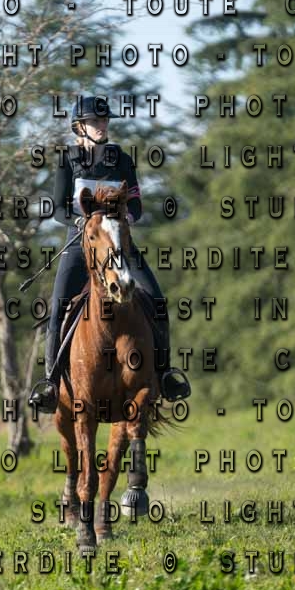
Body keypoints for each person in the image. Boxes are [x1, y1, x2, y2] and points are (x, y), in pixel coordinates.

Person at [27, 94, 191, 413]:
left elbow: (136, 204)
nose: (102, 125)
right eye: (95, 121)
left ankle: (165, 374)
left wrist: (127, 217)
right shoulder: (67, 160)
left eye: (104, 120)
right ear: (80, 127)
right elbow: (57, 209)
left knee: (156, 300)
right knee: (58, 307)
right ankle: (50, 383)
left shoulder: (123, 160)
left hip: (118, 243)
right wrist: (81, 221)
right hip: (80, 243)